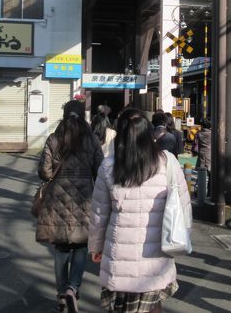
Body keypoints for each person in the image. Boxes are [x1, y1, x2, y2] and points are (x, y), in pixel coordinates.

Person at [88, 108, 191, 313]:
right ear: (148, 133)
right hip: (157, 251)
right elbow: (184, 206)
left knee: (121, 307)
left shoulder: (109, 166)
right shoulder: (168, 162)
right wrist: (183, 235)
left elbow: (99, 214)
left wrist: (96, 246)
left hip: (119, 253)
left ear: (120, 135)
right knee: (153, 305)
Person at [35, 100, 104, 313]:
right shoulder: (91, 140)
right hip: (84, 199)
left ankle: (62, 293)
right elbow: (100, 170)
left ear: (64, 115)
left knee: (61, 247)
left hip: (57, 199)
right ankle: (74, 288)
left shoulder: (54, 139)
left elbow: (45, 172)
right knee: (81, 246)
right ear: (82, 115)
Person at [193, 117, 212, 197]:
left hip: (201, 154)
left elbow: (195, 144)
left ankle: (198, 191)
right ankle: (208, 192)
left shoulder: (198, 133)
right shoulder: (212, 134)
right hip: (210, 155)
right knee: (210, 174)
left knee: (201, 173)